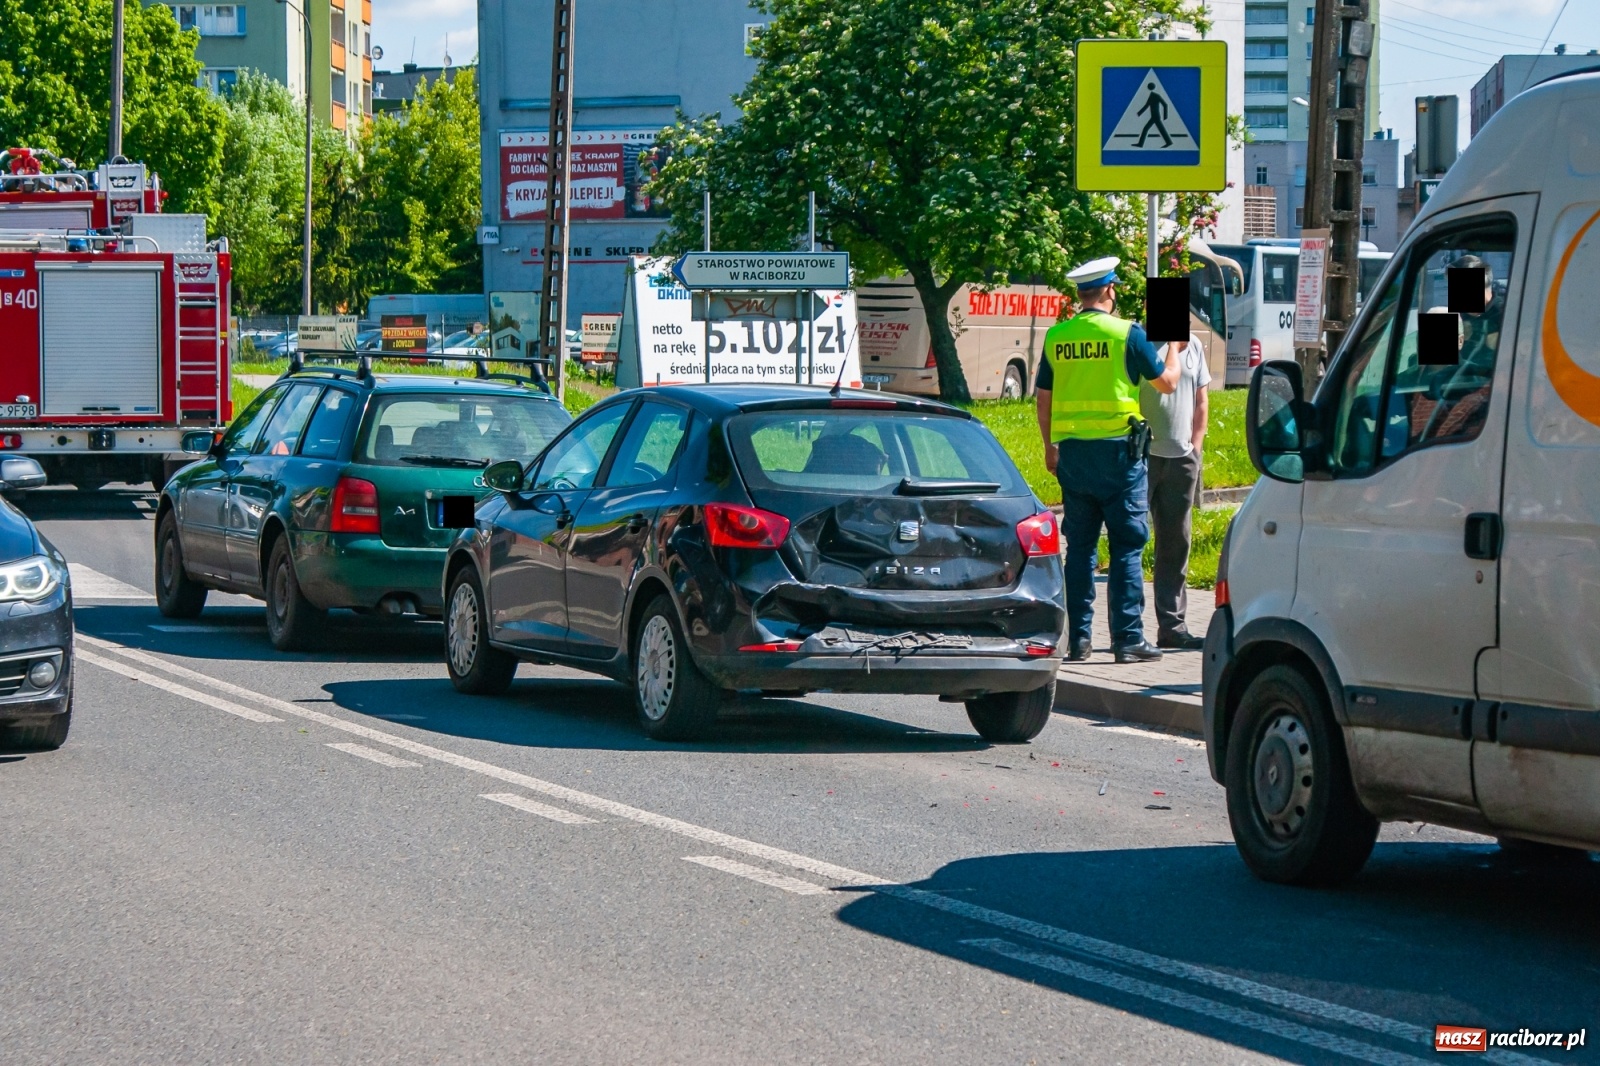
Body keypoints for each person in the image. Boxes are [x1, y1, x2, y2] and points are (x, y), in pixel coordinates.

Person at [1037, 257, 1181, 664]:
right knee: (1127, 546)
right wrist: (1174, 348)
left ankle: (1079, 641)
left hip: (1073, 456)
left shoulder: (1057, 336)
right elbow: (1167, 384)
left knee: (1080, 549)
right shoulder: (1127, 334)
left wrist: (1049, 447)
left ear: (1081, 294)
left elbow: (1043, 399)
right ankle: (1128, 640)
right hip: (1119, 457)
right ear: (1109, 291)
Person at [1139, 331, 1210, 650]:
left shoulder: (1192, 344)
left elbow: (1201, 400)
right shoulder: (1137, 341)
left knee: (1176, 543)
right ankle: (1127, 630)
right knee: (1131, 541)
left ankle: (1172, 627)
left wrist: (1196, 447)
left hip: (1182, 459)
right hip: (1142, 458)